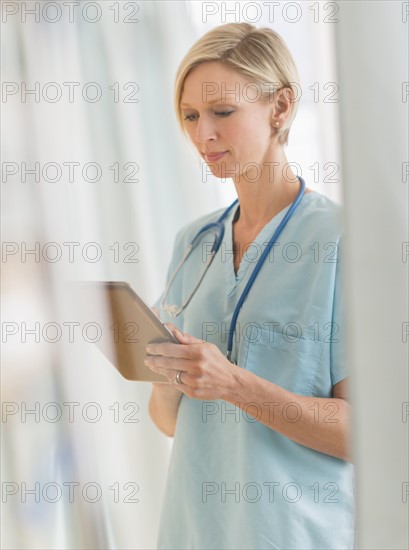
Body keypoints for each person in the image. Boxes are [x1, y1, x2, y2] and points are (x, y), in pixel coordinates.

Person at [147, 22, 355, 550]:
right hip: (193, 530)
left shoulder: (343, 242)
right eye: (191, 116)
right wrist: (166, 373)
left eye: (222, 112)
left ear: (280, 108)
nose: (202, 135)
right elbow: (171, 422)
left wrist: (232, 382)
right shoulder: (194, 243)